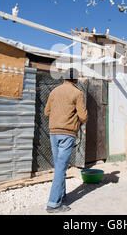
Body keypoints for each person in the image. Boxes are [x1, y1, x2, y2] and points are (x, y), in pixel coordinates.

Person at [44, 68, 88, 213]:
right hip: (67, 134)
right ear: (75, 79)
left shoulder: (54, 91)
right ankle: (53, 204)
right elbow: (83, 116)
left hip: (53, 133)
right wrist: (77, 122)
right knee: (61, 168)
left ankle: (61, 196)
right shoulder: (77, 93)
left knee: (59, 167)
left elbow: (46, 112)